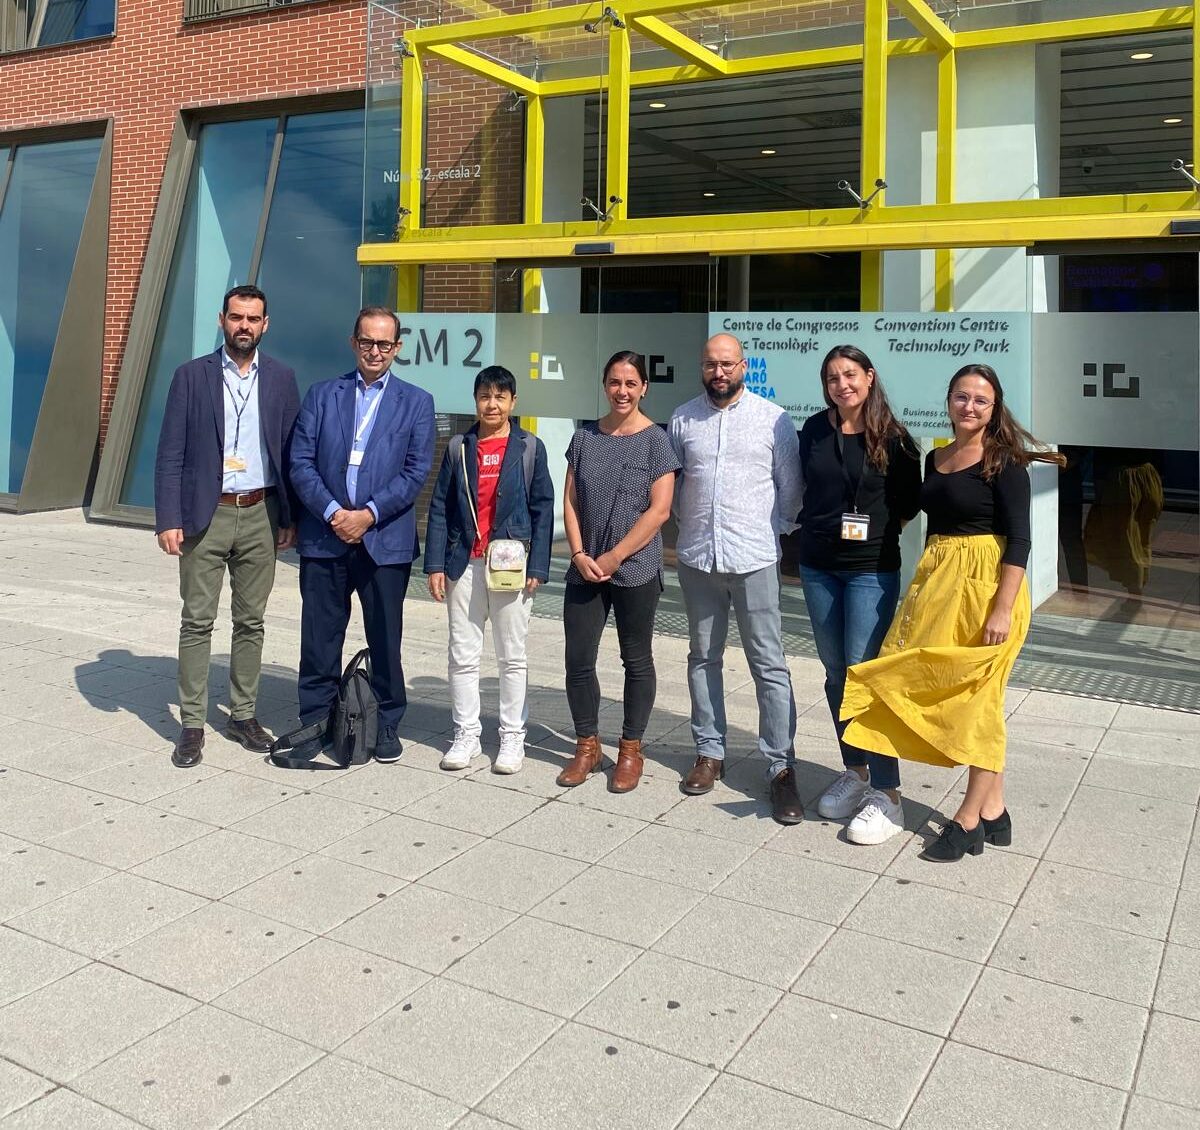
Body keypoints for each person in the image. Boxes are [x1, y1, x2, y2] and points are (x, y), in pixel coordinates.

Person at [841, 363, 1066, 862]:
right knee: (946, 689)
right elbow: (921, 514)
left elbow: (1020, 541)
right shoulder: (936, 457)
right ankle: (996, 811)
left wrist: (1002, 610)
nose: (969, 406)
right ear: (948, 400)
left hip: (987, 589)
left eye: (981, 400)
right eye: (962, 396)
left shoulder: (1005, 461)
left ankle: (968, 820)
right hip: (939, 582)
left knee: (980, 701)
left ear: (994, 408)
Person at [154, 284, 300, 769]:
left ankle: (243, 714)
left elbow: (291, 454)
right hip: (205, 515)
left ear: (265, 325)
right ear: (222, 320)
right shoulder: (190, 376)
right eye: (236, 317)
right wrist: (168, 518)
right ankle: (193, 724)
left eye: (253, 319)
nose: (244, 326)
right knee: (197, 621)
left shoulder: (282, 378)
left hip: (261, 512)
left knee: (251, 621)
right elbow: (170, 453)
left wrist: (290, 518)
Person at [288, 306, 435, 764]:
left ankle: (386, 721)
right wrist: (335, 513)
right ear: (354, 343)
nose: (375, 351)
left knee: (386, 638)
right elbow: (300, 462)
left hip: (383, 540)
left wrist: (367, 515)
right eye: (367, 341)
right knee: (319, 637)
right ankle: (316, 718)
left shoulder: (417, 402)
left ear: (398, 347)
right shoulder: (321, 395)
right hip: (325, 535)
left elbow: (415, 473)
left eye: (384, 343)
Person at [669, 333, 806, 824]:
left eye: (727, 364)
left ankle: (780, 765)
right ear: (702, 367)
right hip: (698, 558)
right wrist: (692, 528)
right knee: (703, 656)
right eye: (711, 364)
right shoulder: (683, 419)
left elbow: (791, 489)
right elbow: (675, 484)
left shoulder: (773, 419)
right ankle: (709, 751)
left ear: (743, 366)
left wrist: (771, 531)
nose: (719, 372)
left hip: (754, 559)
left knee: (768, 663)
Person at [799, 345, 921, 845]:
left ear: (869, 377)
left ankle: (888, 793)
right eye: (832, 377)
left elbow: (908, 506)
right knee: (835, 673)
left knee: (864, 674)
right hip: (817, 567)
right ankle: (856, 769)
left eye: (850, 375)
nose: (841, 385)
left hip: (870, 570)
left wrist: (869, 536)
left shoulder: (896, 440)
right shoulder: (813, 430)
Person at [556, 351, 680, 793]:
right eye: (614, 382)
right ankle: (587, 746)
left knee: (636, 659)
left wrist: (614, 557)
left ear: (644, 387)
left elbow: (659, 511)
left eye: (630, 383)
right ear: (605, 385)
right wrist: (578, 554)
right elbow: (570, 501)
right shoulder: (584, 438)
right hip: (584, 566)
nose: (622, 391)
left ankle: (630, 749)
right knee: (578, 660)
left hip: (635, 567)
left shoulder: (656, 441)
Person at [423, 366, 554, 775]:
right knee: (462, 654)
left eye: (500, 397)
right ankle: (466, 733)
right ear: (476, 401)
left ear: (513, 402)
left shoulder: (529, 448)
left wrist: (538, 565)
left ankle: (513, 736)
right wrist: (435, 564)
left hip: (511, 565)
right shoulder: (459, 447)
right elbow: (441, 507)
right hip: (465, 562)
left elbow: (543, 507)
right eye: (485, 396)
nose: (492, 404)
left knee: (512, 656)